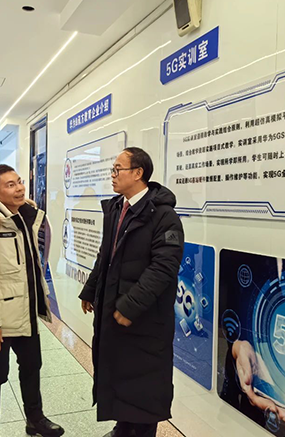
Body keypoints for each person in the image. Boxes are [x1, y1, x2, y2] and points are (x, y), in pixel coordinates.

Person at [79, 147, 184, 437]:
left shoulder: (163, 216)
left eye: (118, 169)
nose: (112, 175)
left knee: (145, 384)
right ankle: (123, 428)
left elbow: (164, 268)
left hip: (144, 318)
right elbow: (106, 255)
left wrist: (130, 306)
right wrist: (91, 289)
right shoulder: (116, 208)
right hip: (115, 311)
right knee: (118, 373)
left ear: (138, 173)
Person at [0, 164, 64, 437]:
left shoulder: (24, 217)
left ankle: (35, 420)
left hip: (26, 312)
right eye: (10, 185)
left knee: (32, 368)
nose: (20, 188)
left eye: (19, 182)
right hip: (1, 318)